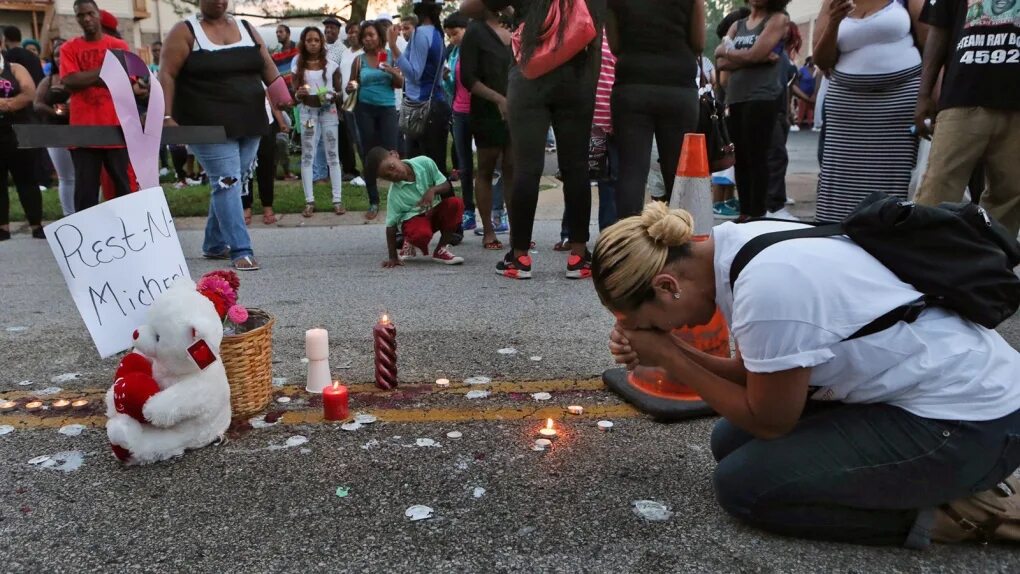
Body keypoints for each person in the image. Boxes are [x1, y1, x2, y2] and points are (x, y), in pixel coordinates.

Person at [593, 202, 1020, 548]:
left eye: (651, 321)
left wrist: (669, 354)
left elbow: (772, 420)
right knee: (730, 439)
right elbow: (753, 374)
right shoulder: (741, 242)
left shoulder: (768, 289)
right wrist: (670, 351)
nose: (663, 331)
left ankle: (961, 516)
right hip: (930, 391)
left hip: (971, 423)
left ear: (667, 286)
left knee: (746, 488)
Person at [462, 0, 606, 281]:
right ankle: (578, 256)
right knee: (576, 168)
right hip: (576, 76)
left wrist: (511, 13)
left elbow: (470, 7)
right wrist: (590, 83)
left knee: (527, 168)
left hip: (529, 75)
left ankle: (519, 257)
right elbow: (597, 38)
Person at [159, 0, 281, 271]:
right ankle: (241, 249)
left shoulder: (247, 28)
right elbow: (166, 74)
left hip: (251, 120)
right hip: (207, 124)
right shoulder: (185, 31)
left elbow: (267, 66)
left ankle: (214, 243)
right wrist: (167, 116)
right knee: (227, 181)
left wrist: (283, 97)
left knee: (232, 181)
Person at [812, 0, 926, 223]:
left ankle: (889, 237)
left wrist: (928, 96)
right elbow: (822, 59)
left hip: (899, 105)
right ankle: (838, 235)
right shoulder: (833, 3)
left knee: (893, 179)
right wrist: (834, 21)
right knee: (842, 180)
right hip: (846, 109)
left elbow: (930, 43)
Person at [913, 0, 1020, 238]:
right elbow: (939, 29)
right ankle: (923, 258)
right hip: (962, 96)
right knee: (937, 190)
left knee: (1010, 196)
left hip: (1016, 105)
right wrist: (923, 94)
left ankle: (991, 264)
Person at [607, 0, 704, 217]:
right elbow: (698, 42)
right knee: (679, 174)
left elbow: (615, 46)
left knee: (632, 170)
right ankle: (681, 242)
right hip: (678, 88)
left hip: (632, 86)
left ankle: (630, 243)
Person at [715, 0, 790, 221]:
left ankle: (758, 213)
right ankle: (745, 211)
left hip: (762, 97)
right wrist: (752, 57)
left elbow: (750, 54)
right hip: (736, 97)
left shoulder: (777, 20)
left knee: (757, 155)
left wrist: (730, 51)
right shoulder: (737, 25)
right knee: (741, 157)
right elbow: (719, 62)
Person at [59, 0, 132, 212]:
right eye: (81, 15)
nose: (86, 19)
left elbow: (126, 81)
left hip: (116, 127)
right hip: (83, 130)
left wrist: (85, 77)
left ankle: (128, 234)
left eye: (90, 13)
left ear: (98, 14)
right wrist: (106, 71)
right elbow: (70, 81)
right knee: (85, 191)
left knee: (123, 188)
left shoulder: (119, 46)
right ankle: (87, 237)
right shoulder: (69, 48)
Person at [459, 3, 516, 251]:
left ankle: (518, 231)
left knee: (513, 170)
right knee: (486, 168)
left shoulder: (514, 26)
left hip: (517, 109)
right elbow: (468, 78)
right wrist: (498, 99)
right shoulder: (475, 31)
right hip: (487, 110)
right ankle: (488, 231)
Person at [367, 147, 465, 267]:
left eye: (392, 167)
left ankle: (441, 250)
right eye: (388, 177)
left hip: (434, 213)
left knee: (456, 204)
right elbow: (391, 226)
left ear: (395, 155)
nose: (394, 174)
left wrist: (433, 190)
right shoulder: (395, 195)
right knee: (421, 235)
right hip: (415, 221)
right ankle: (409, 240)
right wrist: (393, 257)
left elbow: (446, 185)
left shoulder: (424, 162)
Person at [348, 21, 402, 221]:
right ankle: (373, 201)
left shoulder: (390, 56)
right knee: (369, 155)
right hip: (364, 110)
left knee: (392, 153)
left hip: (387, 108)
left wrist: (391, 71)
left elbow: (399, 83)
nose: (367, 39)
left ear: (379, 36)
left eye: (371, 35)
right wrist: (351, 87)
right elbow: (352, 83)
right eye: (364, 36)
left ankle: (399, 199)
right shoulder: (358, 60)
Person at [393, 0, 450, 175]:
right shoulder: (437, 33)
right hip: (437, 103)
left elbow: (414, 74)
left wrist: (393, 46)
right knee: (436, 166)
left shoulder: (420, 33)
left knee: (417, 167)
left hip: (421, 108)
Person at [293, 26, 345, 218]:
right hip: (308, 114)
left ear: (321, 42)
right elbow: (294, 96)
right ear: (304, 43)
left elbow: (340, 93)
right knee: (308, 155)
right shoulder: (297, 65)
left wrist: (333, 95)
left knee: (333, 155)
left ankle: (337, 200)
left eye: (316, 40)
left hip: (328, 112)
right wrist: (299, 94)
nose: (313, 43)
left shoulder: (331, 65)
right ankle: (309, 201)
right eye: (309, 40)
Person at [0, 49, 44, 240]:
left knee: (27, 180)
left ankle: (36, 224)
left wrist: (8, 105)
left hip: (18, 132)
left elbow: (28, 92)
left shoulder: (15, 68)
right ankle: (3, 227)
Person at [441, 13, 475, 232]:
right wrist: (446, 78)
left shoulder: (476, 49)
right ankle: (469, 210)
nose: (452, 38)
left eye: (456, 33)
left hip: (480, 111)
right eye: (449, 35)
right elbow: (453, 87)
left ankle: (496, 211)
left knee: (492, 166)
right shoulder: (452, 53)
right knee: (464, 165)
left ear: (466, 29)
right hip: (459, 111)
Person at [34, 44, 76, 217]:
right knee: (66, 178)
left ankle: (88, 213)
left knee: (87, 177)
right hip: (56, 132)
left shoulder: (81, 77)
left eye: (63, 54)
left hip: (83, 130)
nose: (60, 57)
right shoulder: (49, 80)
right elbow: (37, 104)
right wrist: (56, 112)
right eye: (56, 55)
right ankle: (70, 216)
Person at [242, 98, 285, 226]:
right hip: (243, 122)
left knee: (266, 166)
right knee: (245, 166)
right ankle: (246, 206)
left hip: (266, 122)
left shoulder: (262, 77)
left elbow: (271, 97)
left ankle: (267, 206)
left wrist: (281, 121)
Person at [339, 21, 365, 185]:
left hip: (361, 102)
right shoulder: (345, 52)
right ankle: (355, 169)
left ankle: (368, 170)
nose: (352, 35)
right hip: (346, 102)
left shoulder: (365, 52)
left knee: (362, 138)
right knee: (352, 139)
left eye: (355, 32)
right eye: (349, 32)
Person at [792, 56, 817, 130]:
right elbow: (796, 79)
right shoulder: (802, 70)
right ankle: (798, 124)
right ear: (808, 61)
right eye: (811, 60)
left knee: (810, 109)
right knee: (801, 109)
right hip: (803, 92)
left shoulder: (815, 70)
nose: (812, 62)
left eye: (813, 61)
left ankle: (810, 124)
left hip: (811, 93)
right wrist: (798, 89)